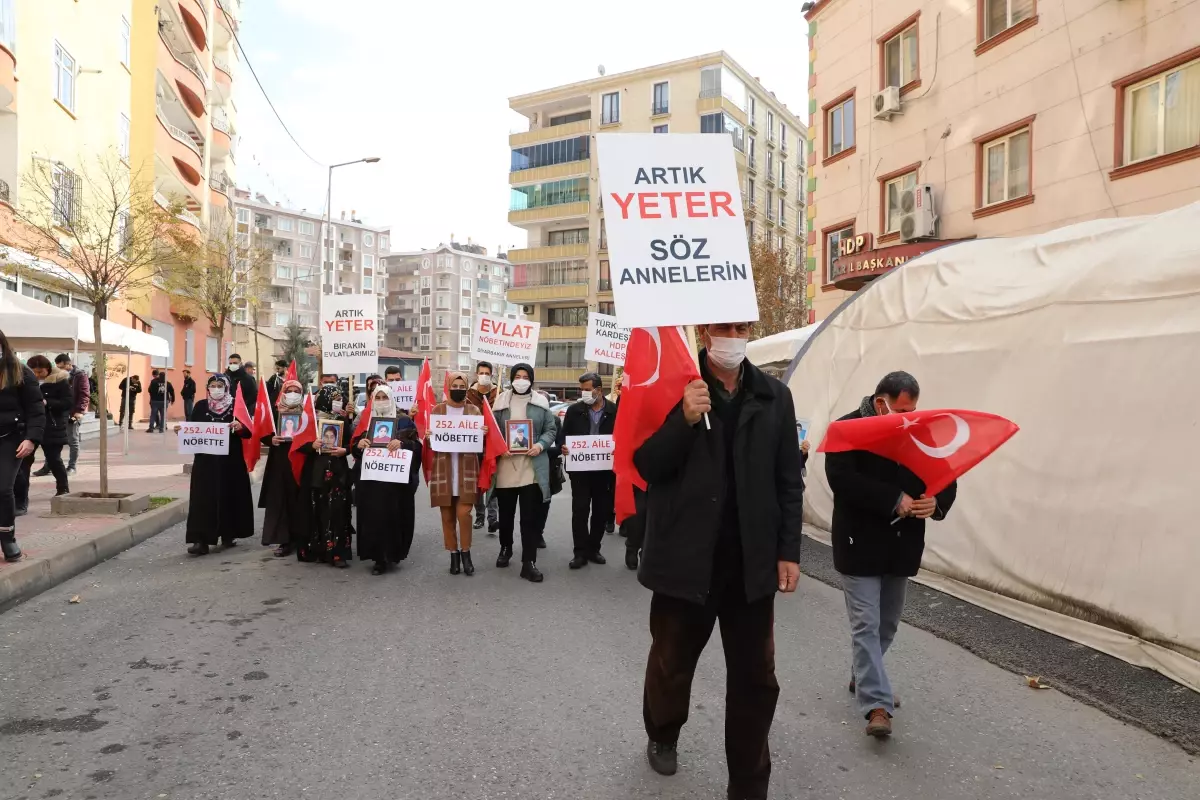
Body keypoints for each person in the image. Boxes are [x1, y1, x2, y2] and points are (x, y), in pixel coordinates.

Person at [634, 322, 804, 799]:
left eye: (740, 328)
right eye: (723, 328)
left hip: (750, 566)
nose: (733, 336)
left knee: (756, 679)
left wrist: (788, 549)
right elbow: (646, 465)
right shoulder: (673, 389)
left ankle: (748, 784)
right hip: (684, 562)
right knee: (671, 663)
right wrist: (682, 420)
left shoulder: (774, 396)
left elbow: (789, 479)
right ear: (705, 332)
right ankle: (663, 731)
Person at [825, 371, 957, 739]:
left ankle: (863, 676)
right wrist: (891, 499)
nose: (907, 415)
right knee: (866, 624)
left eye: (912, 409)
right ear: (880, 401)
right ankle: (877, 706)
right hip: (859, 543)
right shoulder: (847, 429)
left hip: (901, 545)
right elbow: (841, 478)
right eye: (900, 409)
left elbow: (946, 474)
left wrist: (937, 502)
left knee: (887, 624)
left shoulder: (918, 430)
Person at [491, 363, 556, 583]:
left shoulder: (541, 402)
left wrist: (540, 445)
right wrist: (500, 445)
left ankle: (529, 562)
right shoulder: (499, 403)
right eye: (517, 376)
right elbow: (493, 433)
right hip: (506, 468)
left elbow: (551, 429)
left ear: (532, 379)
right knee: (506, 516)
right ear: (510, 378)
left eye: (525, 376)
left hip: (532, 469)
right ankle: (505, 548)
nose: (521, 380)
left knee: (530, 518)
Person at [177, 375, 254, 556]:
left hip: (230, 462)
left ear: (227, 388)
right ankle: (200, 540)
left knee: (229, 496)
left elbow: (249, 432)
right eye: (213, 385)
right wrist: (181, 431)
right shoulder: (201, 406)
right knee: (203, 498)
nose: (216, 389)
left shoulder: (237, 406)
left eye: (220, 385)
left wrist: (240, 426)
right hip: (206, 462)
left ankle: (229, 533)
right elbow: (192, 429)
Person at [353, 385, 423, 575]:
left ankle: (392, 553)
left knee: (393, 517)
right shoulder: (366, 421)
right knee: (374, 518)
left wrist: (402, 443)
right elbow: (354, 448)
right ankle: (378, 558)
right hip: (372, 482)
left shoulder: (403, 421)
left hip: (395, 483)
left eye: (385, 396)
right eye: (378, 396)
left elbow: (417, 447)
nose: (382, 400)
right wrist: (359, 445)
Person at [558, 371, 617, 569]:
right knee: (580, 510)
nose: (583, 393)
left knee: (601, 511)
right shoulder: (574, 411)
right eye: (581, 389)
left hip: (604, 472)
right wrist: (564, 447)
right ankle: (580, 552)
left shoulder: (614, 410)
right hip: (580, 471)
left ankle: (594, 549)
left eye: (587, 389)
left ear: (598, 390)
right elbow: (563, 436)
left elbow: (622, 437)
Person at [425, 372, 481, 576]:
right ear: (448, 387)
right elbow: (431, 444)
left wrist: (482, 433)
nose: (458, 389)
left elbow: (481, 443)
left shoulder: (474, 411)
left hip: (467, 470)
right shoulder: (438, 411)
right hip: (444, 470)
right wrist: (429, 437)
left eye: (461, 385)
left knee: (464, 514)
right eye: (454, 385)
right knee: (447, 517)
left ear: (466, 387)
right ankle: (453, 554)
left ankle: (466, 553)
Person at [297, 382, 353, 567]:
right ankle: (317, 549)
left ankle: (338, 554)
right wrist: (311, 445)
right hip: (315, 472)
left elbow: (351, 444)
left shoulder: (343, 420)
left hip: (337, 472)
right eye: (335, 399)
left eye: (340, 399)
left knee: (337, 512)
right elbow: (298, 444)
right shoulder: (310, 419)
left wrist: (344, 450)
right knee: (316, 510)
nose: (339, 402)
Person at [0, 331, 44, 561]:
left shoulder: (19, 370)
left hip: (11, 438)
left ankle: (7, 537)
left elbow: (36, 408)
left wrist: (31, 438)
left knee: (3, 487)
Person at [258, 379, 311, 558]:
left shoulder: (307, 413)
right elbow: (263, 432)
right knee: (282, 500)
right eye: (290, 390)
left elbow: (313, 435)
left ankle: (302, 538)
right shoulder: (275, 412)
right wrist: (270, 440)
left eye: (297, 390)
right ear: (283, 392)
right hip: (280, 462)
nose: (293, 393)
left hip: (301, 461)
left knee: (300, 500)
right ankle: (284, 540)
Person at [13, 355, 72, 507]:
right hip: (30, 427)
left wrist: (48, 403)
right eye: (35, 372)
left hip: (51, 426)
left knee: (54, 459)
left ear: (48, 369)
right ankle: (21, 496)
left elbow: (67, 402)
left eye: (41, 372)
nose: (38, 375)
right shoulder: (22, 380)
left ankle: (63, 488)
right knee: (24, 462)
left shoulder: (59, 380)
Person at [466, 361, 500, 533]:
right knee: (477, 484)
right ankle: (480, 516)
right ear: (476, 374)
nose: (484, 375)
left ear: (492, 375)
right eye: (481, 372)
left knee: (492, 480)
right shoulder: (468, 394)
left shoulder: (499, 393)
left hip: (492, 444)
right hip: (473, 445)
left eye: (487, 373)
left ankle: (493, 519)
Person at [147, 369, 175, 433]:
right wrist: (173, 400)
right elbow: (172, 392)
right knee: (163, 415)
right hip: (164, 401)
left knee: (153, 415)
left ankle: (151, 428)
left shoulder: (153, 382)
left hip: (155, 401)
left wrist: (153, 396)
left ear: (159, 376)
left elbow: (149, 390)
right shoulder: (168, 383)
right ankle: (161, 429)